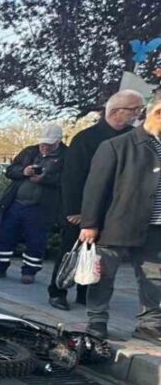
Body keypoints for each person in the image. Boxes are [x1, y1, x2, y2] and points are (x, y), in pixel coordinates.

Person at [49, 90, 146, 311]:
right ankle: (58, 291)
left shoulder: (136, 138)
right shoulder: (86, 138)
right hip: (83, 209)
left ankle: (87, 293)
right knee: (71, 250)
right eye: (134, 110)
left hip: (115, 210)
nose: (137, 115)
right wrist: (75, 210)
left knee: (99, 258)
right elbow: (72, 176)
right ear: (116, 111)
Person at [78, 96, 161, 343]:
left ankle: (151, 323)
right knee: (104, 275)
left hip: (155, 226)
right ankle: (97, 320)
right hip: (118, 223)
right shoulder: (117, 146)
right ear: (156, 113)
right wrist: (90, 224)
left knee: (154, 277)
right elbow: (95, 188)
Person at [0, 125, 65, 284]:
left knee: (36, 240)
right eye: (43, 143)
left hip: (41, 207)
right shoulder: (30, 151)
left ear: (58, 141)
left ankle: (30, 272)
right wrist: (23, 171)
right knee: (5, 235)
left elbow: (68, 180)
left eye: (49, 144)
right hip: (16, 203)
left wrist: (45, 179)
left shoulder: (67, 155)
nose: (44, 147)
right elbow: (10, 170)